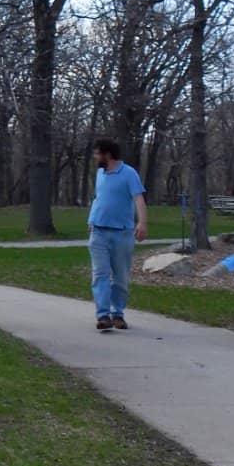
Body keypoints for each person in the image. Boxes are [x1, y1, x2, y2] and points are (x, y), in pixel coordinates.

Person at [87, 137, 147, 332]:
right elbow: (99, 198)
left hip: (122, 233)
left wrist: (142, 222)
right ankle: (103, 315)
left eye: (97, 154)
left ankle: (118, 313)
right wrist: (91, 219)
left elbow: (138, 198)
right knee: (100, 274)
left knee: (120, 277)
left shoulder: (129, 173)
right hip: (98, 232)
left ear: (108, 154)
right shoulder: (100, 173)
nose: (96, 157)